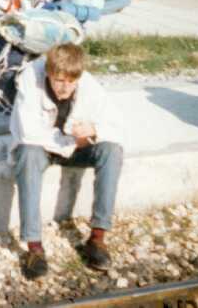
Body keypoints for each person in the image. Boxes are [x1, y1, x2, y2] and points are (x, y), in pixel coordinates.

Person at [10, 43, 126, 279]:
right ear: (48, 74)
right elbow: (29, 133)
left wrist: (94, 129)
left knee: (112, 151)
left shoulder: (89, 84)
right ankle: (34, 247)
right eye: (59, 80)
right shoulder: (29, 79)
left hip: (72, 146)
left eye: (71, 82)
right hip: (41, 148)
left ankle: (97, 238)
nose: (65, 87)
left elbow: (117, 126)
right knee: (28, 154)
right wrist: (72, 142)